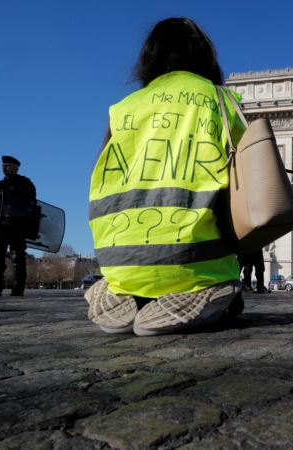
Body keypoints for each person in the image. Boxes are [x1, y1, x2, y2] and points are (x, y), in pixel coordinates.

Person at [86, 18, 245, 336]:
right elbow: (248, 181)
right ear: (205, 57)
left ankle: (126, 291)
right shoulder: (222, 100)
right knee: (230, 292)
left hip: (120, 261)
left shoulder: (122, 108)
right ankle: (204, 291)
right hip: (197, 263)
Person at [0, 155, 37, 297]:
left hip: (18, 226)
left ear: (16, 168)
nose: (4, 168)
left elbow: (32, 206)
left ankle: (18, 288)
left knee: (18, 257)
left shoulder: (25, 184)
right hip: (1, 225)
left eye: (8, 165)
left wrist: (30, 226)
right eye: (3, 166)